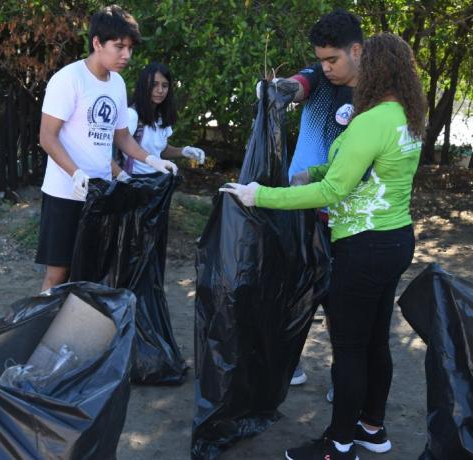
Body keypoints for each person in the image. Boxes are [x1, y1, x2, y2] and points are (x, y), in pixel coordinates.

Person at [222, 33, 425, 460]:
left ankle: (337, 444)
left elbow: (334, 190)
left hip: (363, 245)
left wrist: (262, 196)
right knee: (374, 342)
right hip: (395, 240)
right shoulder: (402, 116)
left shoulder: (370, 121)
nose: (348, 70)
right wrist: (309, 172)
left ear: (376, 68)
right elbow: (356, 170)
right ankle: (372, 428)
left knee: (350, 347)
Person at [37, 5, 178, 292]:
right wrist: (75, 173)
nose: (126, 55)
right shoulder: (69, 79)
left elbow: (122, 138)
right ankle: (42, 330)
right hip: (66, 191)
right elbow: (47, 137)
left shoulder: (117, 84)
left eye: (130, 48)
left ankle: (77, 332)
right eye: (119, 47)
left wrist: (152, 160)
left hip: (101, 193)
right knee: (59, 272)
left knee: (91, 270)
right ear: (97, 43)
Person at [261, 8, 363, 387]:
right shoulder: (319, 76)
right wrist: (280, 90)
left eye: (333, 59)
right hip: (299, 206)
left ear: (357, 51)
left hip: (343, 213)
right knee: (293, 286)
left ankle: (342, 375)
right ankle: (292, 362)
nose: (326, 68)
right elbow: (299, 83)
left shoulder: (371, 96)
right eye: (321, 60)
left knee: (338, 299)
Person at [112, 62, 206, 181]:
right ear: (144, 86)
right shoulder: (132, 115)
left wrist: (184, 151)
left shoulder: (161, 116)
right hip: (134, 180)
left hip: (157, 179)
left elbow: (160, 151)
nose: (160, 90)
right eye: (154, 84)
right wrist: (121, 175)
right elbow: (108, 150)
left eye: (165, 85)